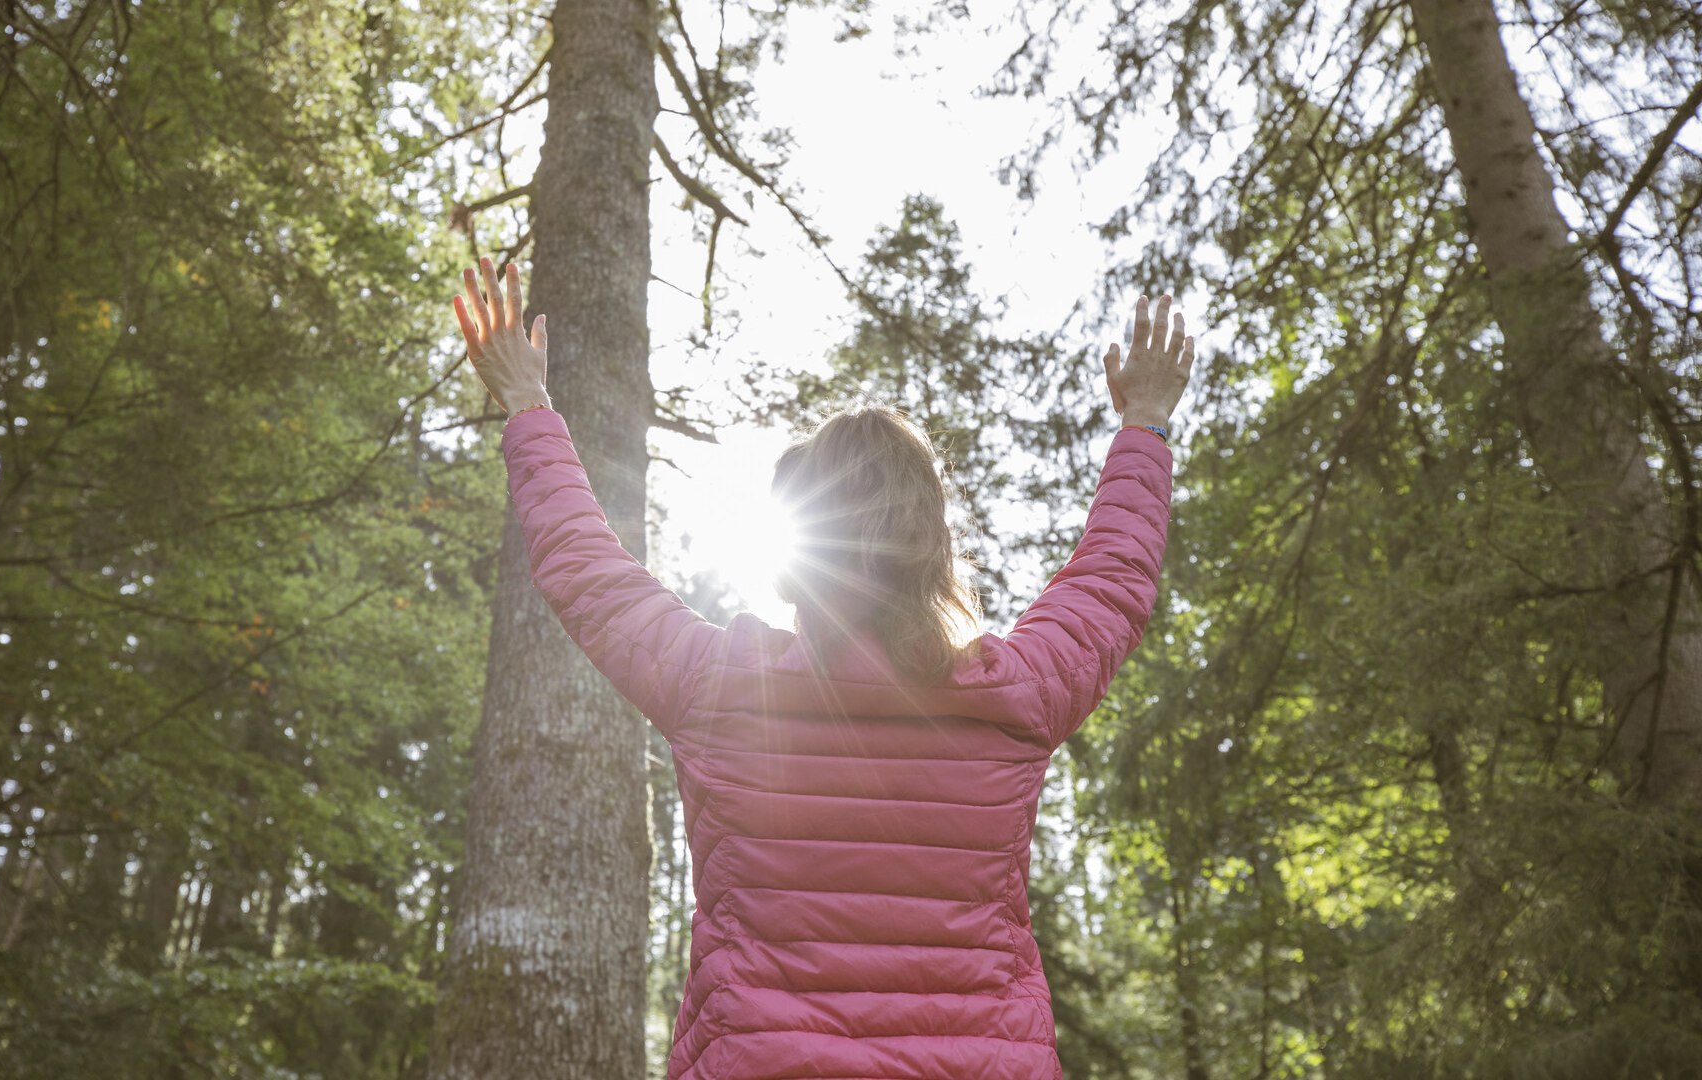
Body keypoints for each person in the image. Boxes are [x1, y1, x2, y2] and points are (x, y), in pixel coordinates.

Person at [453, 256, 1191, 1080]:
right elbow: (1112, 580)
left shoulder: (717, 689)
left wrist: (529, 405)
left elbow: (584, 570)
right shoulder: (1013, 698)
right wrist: (1146, 423)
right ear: (931, 547)